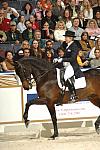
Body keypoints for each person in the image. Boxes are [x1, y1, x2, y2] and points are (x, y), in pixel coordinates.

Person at [55, 30, 85, 105]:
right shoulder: (66, 45)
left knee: (65, 76)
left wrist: (62, 59)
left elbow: (72, 58)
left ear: (71, 38)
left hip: (72, 65)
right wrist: (58, 58)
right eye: (65, 37)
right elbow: (62, 53)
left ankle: (73, 95)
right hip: (66, 65)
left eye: (67, 37)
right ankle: (62, 96)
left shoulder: (74, 46)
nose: (65, 39)